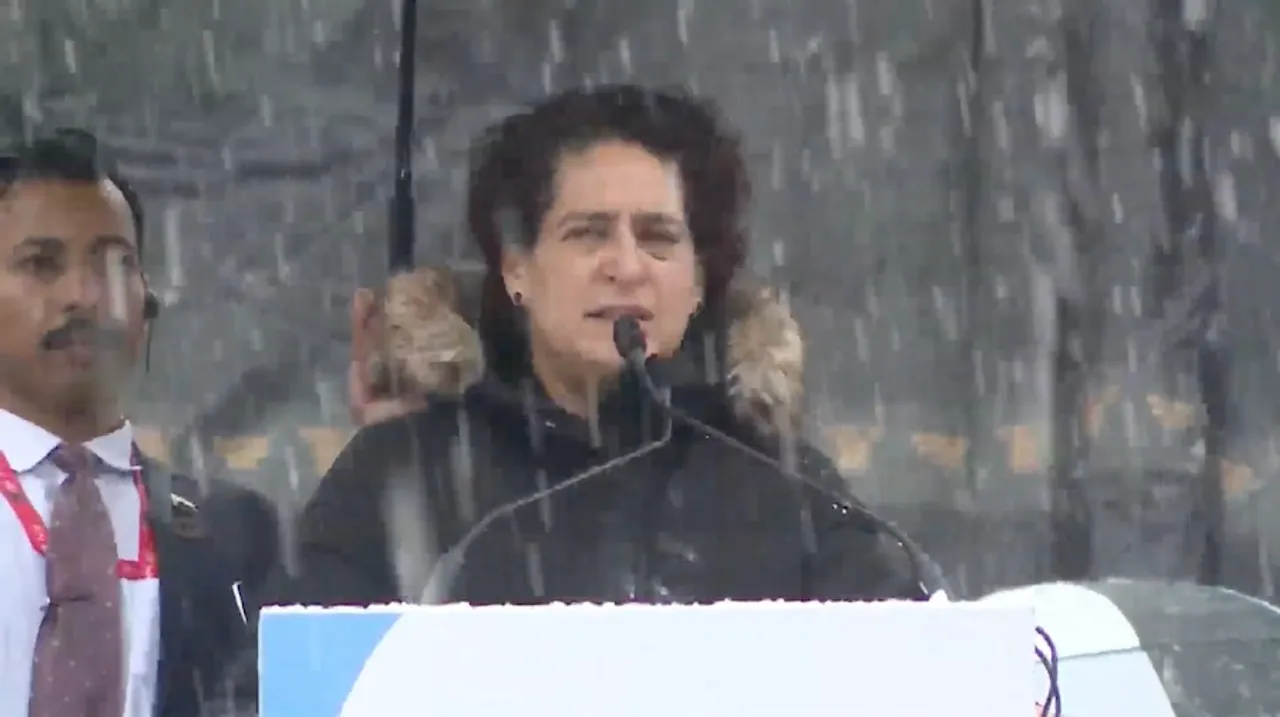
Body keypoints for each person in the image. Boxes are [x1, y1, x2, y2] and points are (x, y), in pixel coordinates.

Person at [257, 84, 937, 612]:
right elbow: (271, 689)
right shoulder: (400, 470)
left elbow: (909, 672)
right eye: (588, 232)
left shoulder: (791, 487)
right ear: (517, 267)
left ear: (699, 281)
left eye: (659, 237)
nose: (625, 264)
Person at [0, 129, 243, 717]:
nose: (84, 295)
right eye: (42, 264)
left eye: (115, 264)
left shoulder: (228, 538)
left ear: (147, 301)